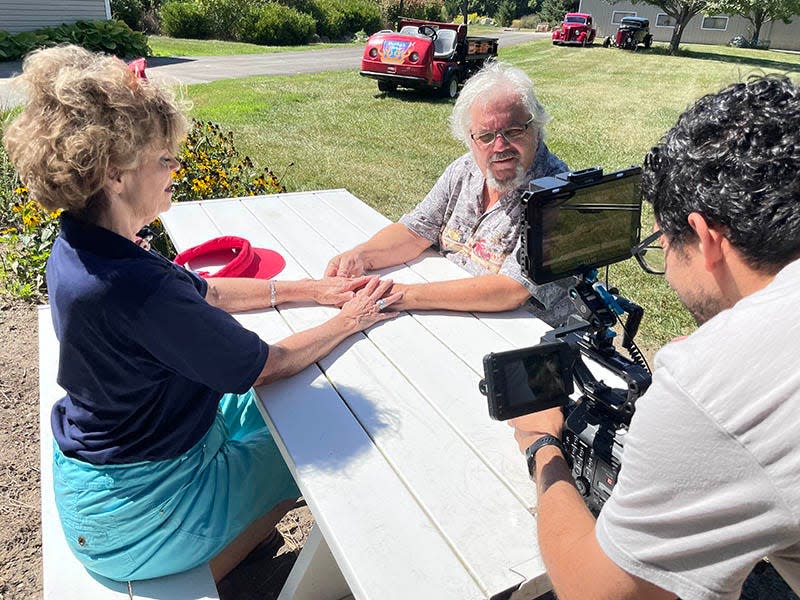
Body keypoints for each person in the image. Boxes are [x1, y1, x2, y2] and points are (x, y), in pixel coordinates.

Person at [3, 45, 402, 583]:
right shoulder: (134, 289)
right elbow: (268, 362)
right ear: (116, 174)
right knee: (311, 445)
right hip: (136, 519)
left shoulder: (88, 244)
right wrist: (353, 316)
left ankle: (239, 535)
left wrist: (317, 290)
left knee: (288, 413)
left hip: (108, 475)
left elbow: (206, 293)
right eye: (164, 158)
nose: (176, 167)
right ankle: (230, 562)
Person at [510, 75, 800, 600]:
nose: (665, 265)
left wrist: (542, 446)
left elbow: (597, 591)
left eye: (663, 244)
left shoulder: (716, 383)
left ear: (706, 237)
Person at [325, 61, 573, 323]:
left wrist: (402, 295)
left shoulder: (558, 195)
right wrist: (361, 255)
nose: (500, 146)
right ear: (470, 138)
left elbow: (513, 290)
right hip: (448, 316)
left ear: (536, 128)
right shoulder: (465, 170)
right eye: (486, 136)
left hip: (521, 336)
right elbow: (415, 230)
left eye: (513, 131)